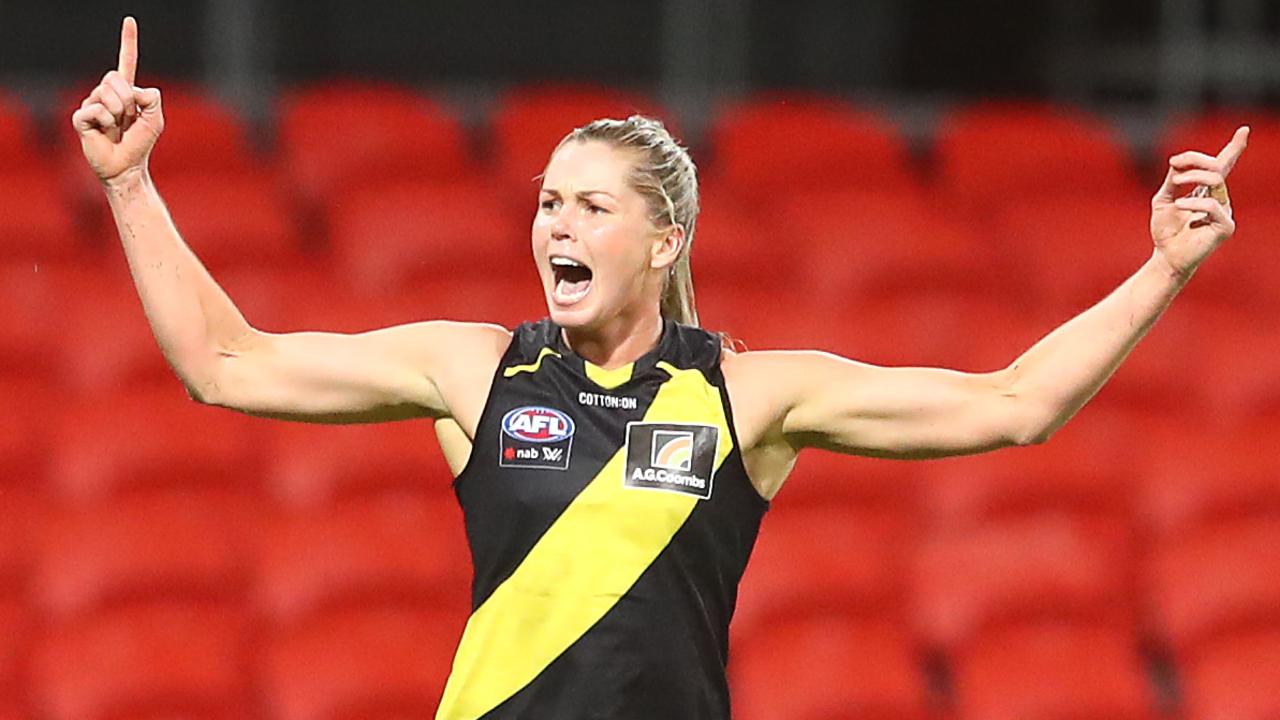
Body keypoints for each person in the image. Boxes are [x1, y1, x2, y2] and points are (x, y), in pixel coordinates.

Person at [74, 16, 1248, 720]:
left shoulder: (748, 396)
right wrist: (130, 182)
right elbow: (225, 364)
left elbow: (1015, 404)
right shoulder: (473, 371)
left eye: (590, 207)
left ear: (665, 240)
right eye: (545, 204)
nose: (555, 228)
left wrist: (1161, 271)